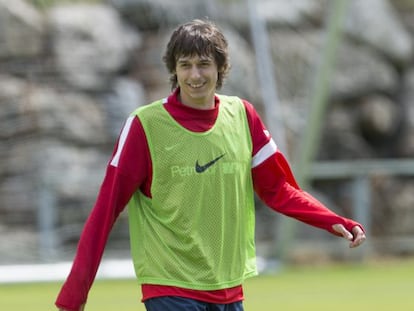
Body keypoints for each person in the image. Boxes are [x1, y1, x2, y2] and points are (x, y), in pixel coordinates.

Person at [55, 19, 366, 311]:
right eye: (185, 65)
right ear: (174, 70)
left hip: (229, 288)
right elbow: (105, 210)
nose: (195, 75)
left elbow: (278, 189)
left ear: (220, 68)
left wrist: (330, 219)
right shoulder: (144, 126)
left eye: (204, 64)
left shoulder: (243, 116)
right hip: (170, 287)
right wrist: (75, 293)